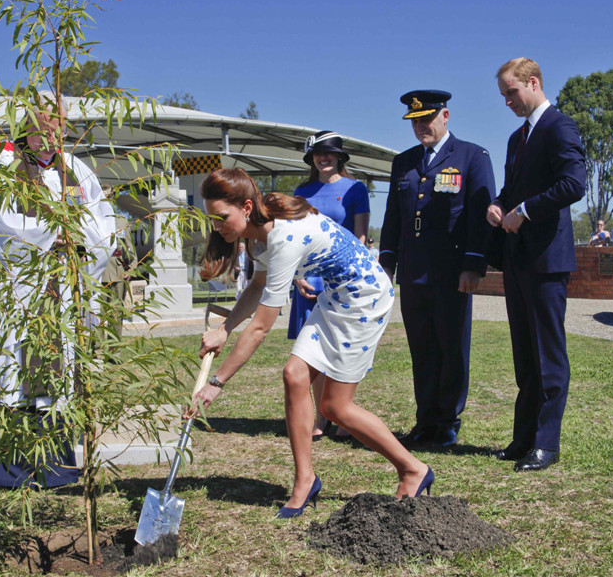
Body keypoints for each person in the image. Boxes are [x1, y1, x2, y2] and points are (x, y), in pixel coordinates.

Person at [192, 168, 433, 517]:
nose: (216, 226)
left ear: (246, 207)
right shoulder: (259, 233)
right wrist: (224, 329)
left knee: (336, 409)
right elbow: (258, 286)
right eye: (212, 219)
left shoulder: (282, 238)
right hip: (335, 297)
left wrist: (217, 383)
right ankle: (305, 479)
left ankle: (413, 469)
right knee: (294, 374)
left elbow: (261, 327)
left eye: (221, 217)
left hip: (365, 299)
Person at [0, 99, 115, 488]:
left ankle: (54, 468)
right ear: (26, 124)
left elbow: (102, 221)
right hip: (14, 292)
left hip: (60, 290)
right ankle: (3, 472)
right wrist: (53, 233)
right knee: (8, 372)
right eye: (46, 125)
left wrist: (86, 242)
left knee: (54, 373)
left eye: (61, 127)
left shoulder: (74, 168)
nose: (54, 135)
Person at [379, 90, 495, 448]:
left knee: (451, 346)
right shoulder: (404, 162)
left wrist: (474, 263)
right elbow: (394, 216)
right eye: (415, 121)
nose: (421, 127)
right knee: (422, 348)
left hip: (451, 272)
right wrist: (387, 262)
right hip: (414, 272)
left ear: (445, 116)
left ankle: (447, 421)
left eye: (427, 119)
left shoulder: (472, 156)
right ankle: (425, 419)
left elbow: (479, 216)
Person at [488, 58, 586, 471]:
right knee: (525, 354)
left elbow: (574, 184)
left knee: (548, 353)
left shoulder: (558, 126)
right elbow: (513, 187)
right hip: (518, 259)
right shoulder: (516, 139)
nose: (508, 102)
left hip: (547, 259)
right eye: (503, 96)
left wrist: (524, 211)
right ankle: (524, 437)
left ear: (533, 83)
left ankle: (547, 443)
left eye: (512, 92)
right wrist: (498, 204)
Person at [290, 131, 370, 443]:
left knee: (343, 347)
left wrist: (351, 275)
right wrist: (297, 273)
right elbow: (295, 236)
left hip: (343, 277)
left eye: (330, 153)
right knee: (314, 348)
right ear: (311, 158)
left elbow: (361, 236)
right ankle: (322, 416)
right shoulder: (302, 191)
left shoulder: (356, 188)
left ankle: (342, 412)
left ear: (339, 157)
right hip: (310, 278)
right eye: (317, 154)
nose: (323, 158)